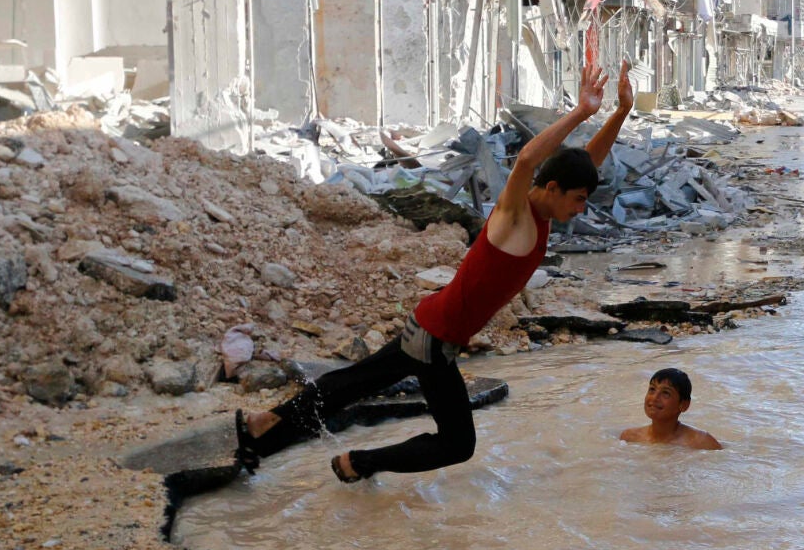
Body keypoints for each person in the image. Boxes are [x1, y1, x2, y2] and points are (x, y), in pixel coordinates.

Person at [233, 60, 638, 482]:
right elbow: (526, 163)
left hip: (430, 324)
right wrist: (580, 112)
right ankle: (357, 463)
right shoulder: (514, 216)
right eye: (578, 199)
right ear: (552, 189)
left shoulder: (545, 209)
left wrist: (620, 112)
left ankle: (268, 423)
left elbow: (583, 164)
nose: (581, 209)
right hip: (435, 340)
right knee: (457, 444)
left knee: (353, 383)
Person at [618, 368, 723, 451]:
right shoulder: (629, 438)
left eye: (666, 393)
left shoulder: (702, 443)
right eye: (652, 389)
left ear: (683, 405)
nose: (654, 397)